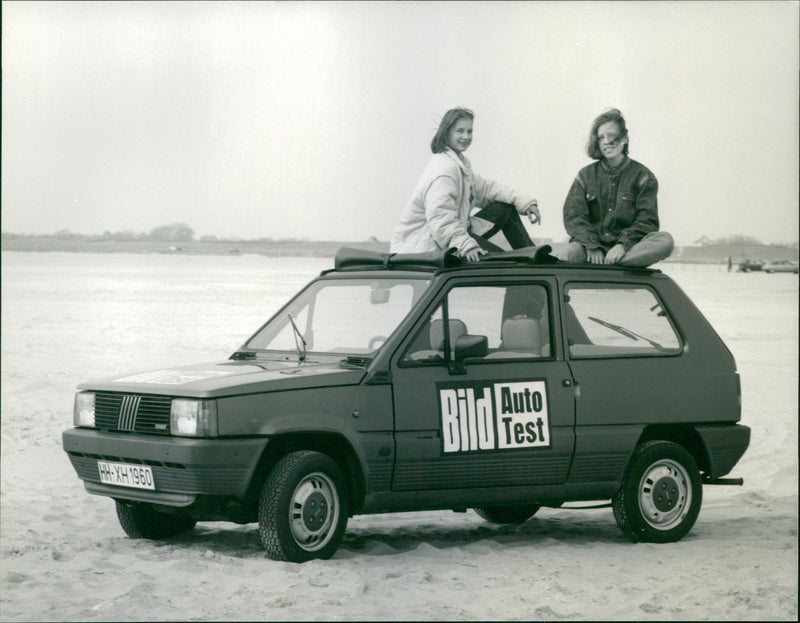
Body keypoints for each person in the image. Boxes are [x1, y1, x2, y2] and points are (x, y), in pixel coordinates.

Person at [390, 107, 540, 262]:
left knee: (505, 209)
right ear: (446, 132)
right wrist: (466, 245)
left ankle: (535, 256)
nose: (466, 136)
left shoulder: (459, 166)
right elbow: (441, 220)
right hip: (426, 247)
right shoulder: (444, 172)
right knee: (508, 263)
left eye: (470, 131)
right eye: (460, 131)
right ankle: (528, 267)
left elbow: (488, 189)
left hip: (451, 236)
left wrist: (525, 202)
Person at [560, 108, 674, 267]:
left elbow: (647, 221)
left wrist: (622, 245)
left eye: (611, 135)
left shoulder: (644, 176)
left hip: (627, 250)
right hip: (590, 251)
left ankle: (612, 265)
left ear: (624, 138)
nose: (606, 141)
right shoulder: (585, 176)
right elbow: (574, 216)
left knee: (665, 241)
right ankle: (611, 265)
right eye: (601, 137)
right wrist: (592, 246)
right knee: (568, 252)